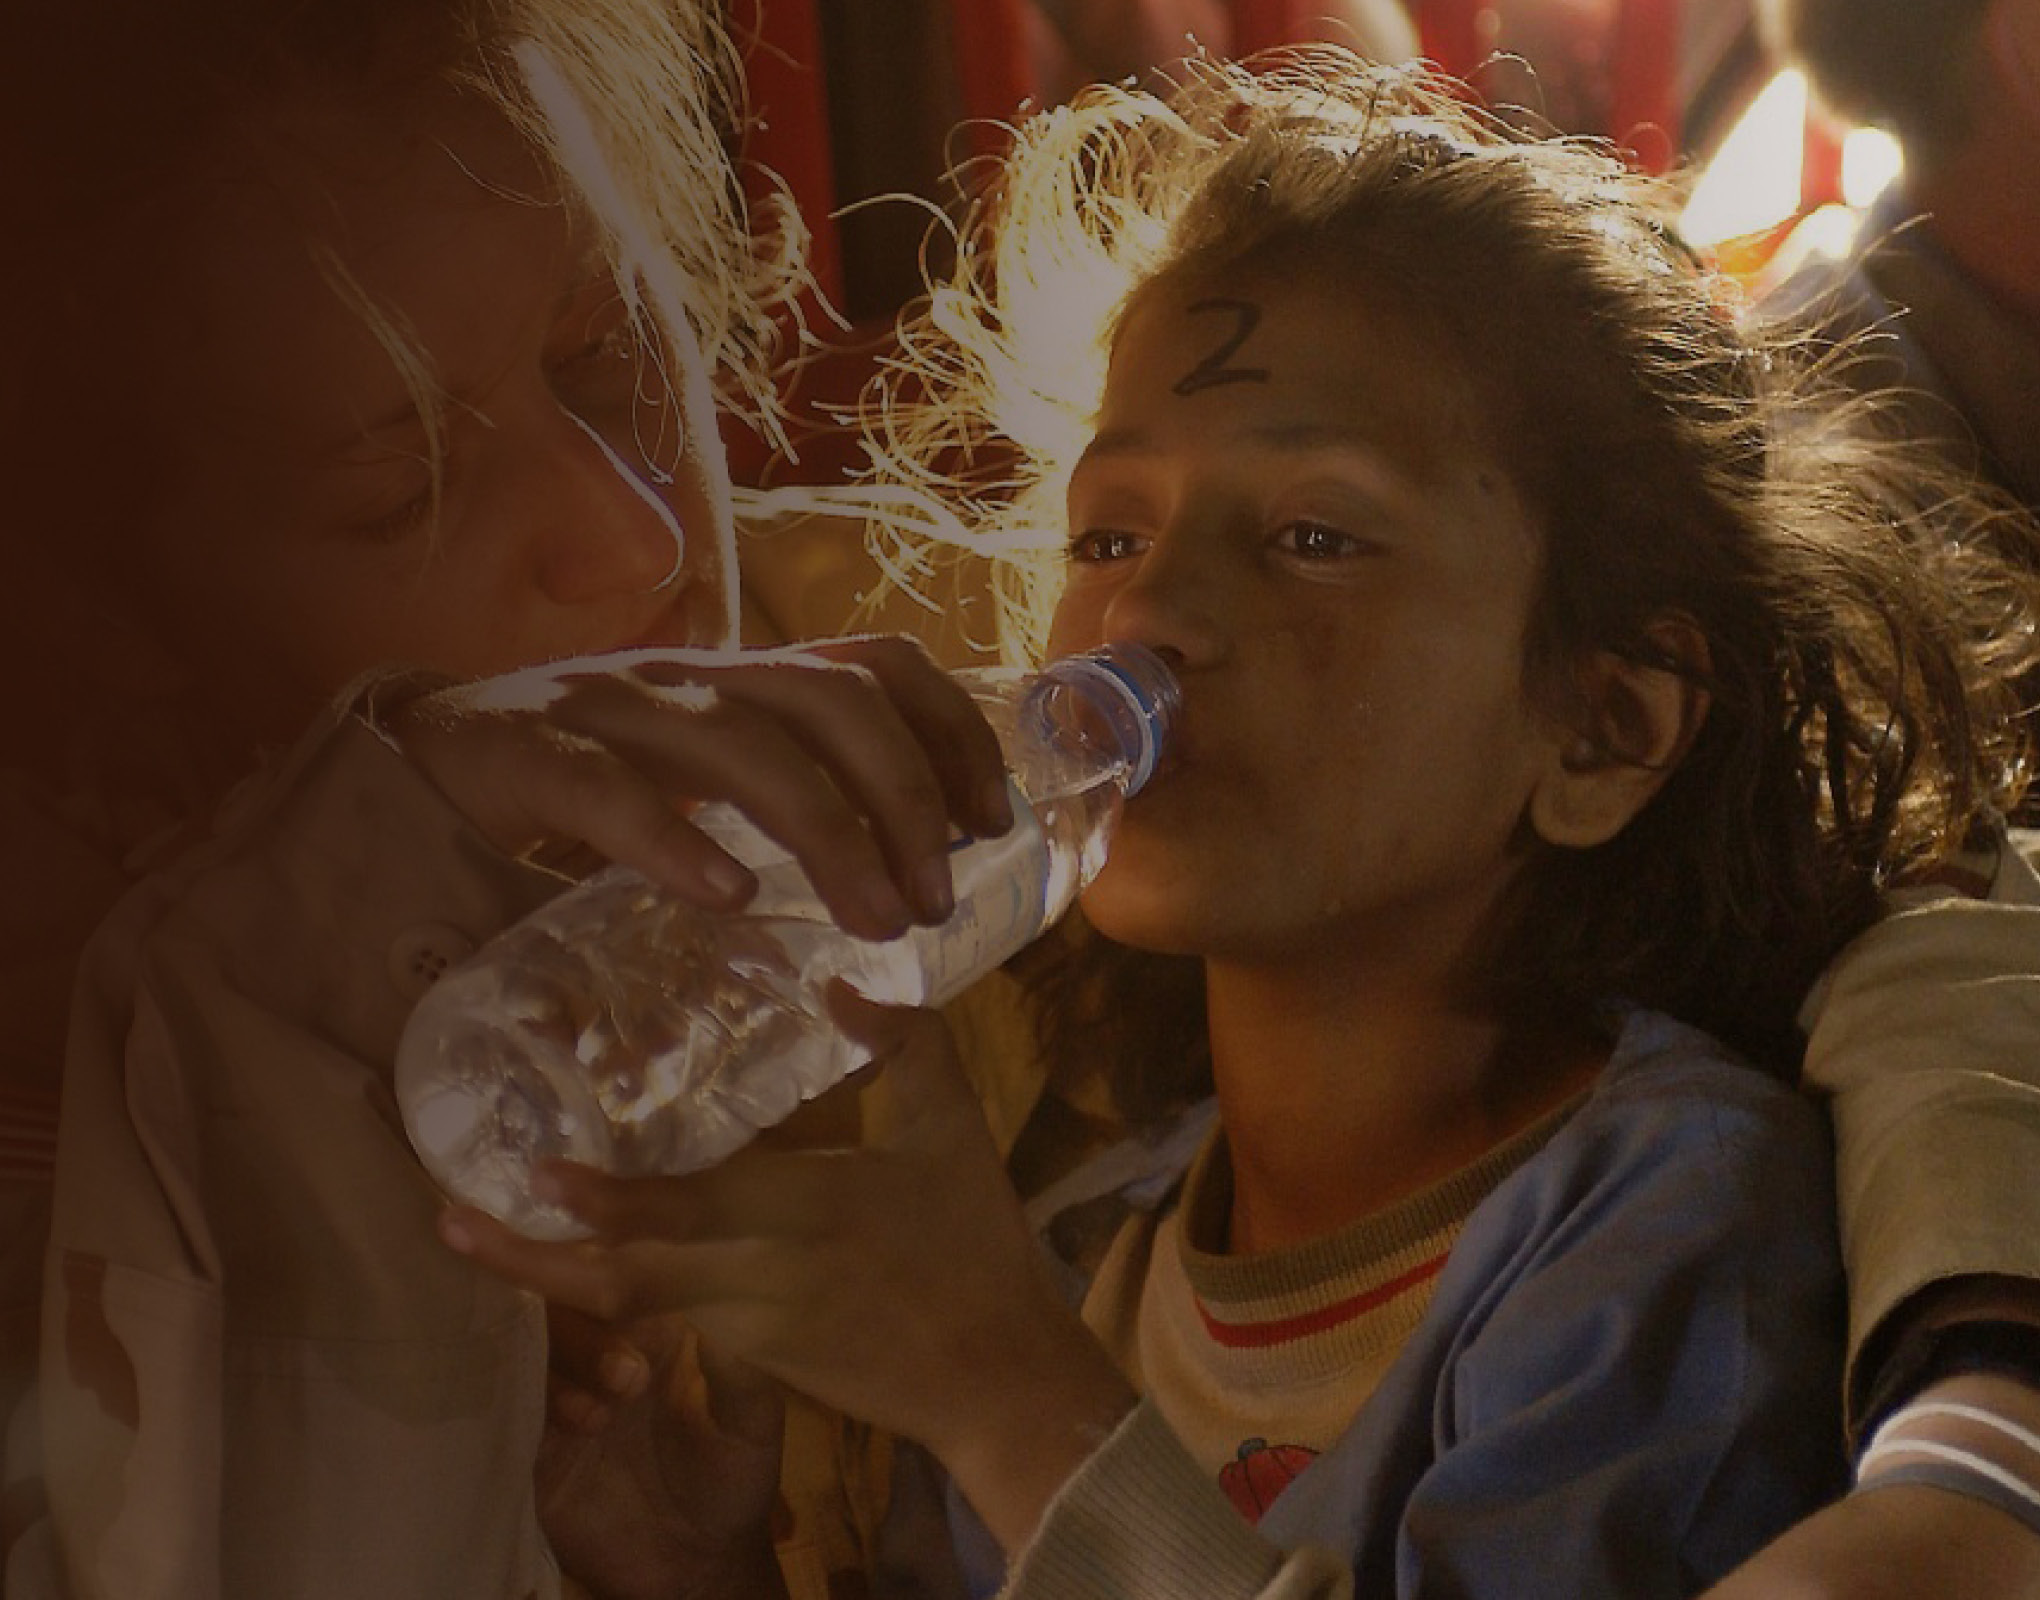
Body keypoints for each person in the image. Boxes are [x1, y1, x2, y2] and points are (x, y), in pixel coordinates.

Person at [442, 51, 2040, 1598]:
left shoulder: (1660, 1224)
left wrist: (1010, 1405)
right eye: (1113, 528)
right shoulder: (1091, 1242)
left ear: (1605, 727)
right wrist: (705, 1572)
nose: (1152, 611)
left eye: (1314, 535)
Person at [1, 1, 1019, 1595]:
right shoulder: (80, 1091)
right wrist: (327, 955)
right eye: (402, 486)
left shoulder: (974, 669)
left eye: (607, 354)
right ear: (109, 622)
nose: (635, 540)